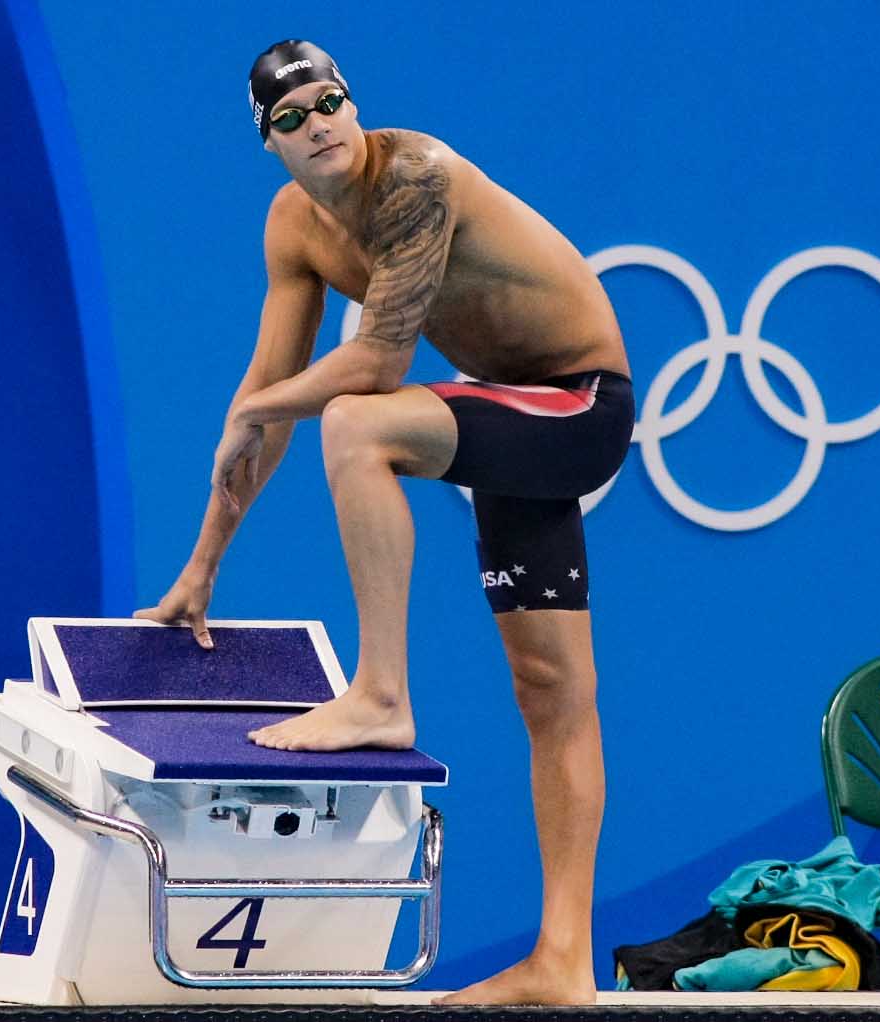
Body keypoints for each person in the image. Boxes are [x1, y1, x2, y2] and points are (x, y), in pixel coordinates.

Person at [134, 39, 632, 1006]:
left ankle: (379, 693)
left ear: (352, 104)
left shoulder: (414, 176)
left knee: (358, 423)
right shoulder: (294, 226)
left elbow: (373, 367)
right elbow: (268, 395)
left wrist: (258, 408)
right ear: (268, 141)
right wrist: (204, 565)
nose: (318, 125)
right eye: (291, 118)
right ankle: (564, 965)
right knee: (552, 688)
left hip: (578, 405)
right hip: (508, 410)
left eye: (329, 102)